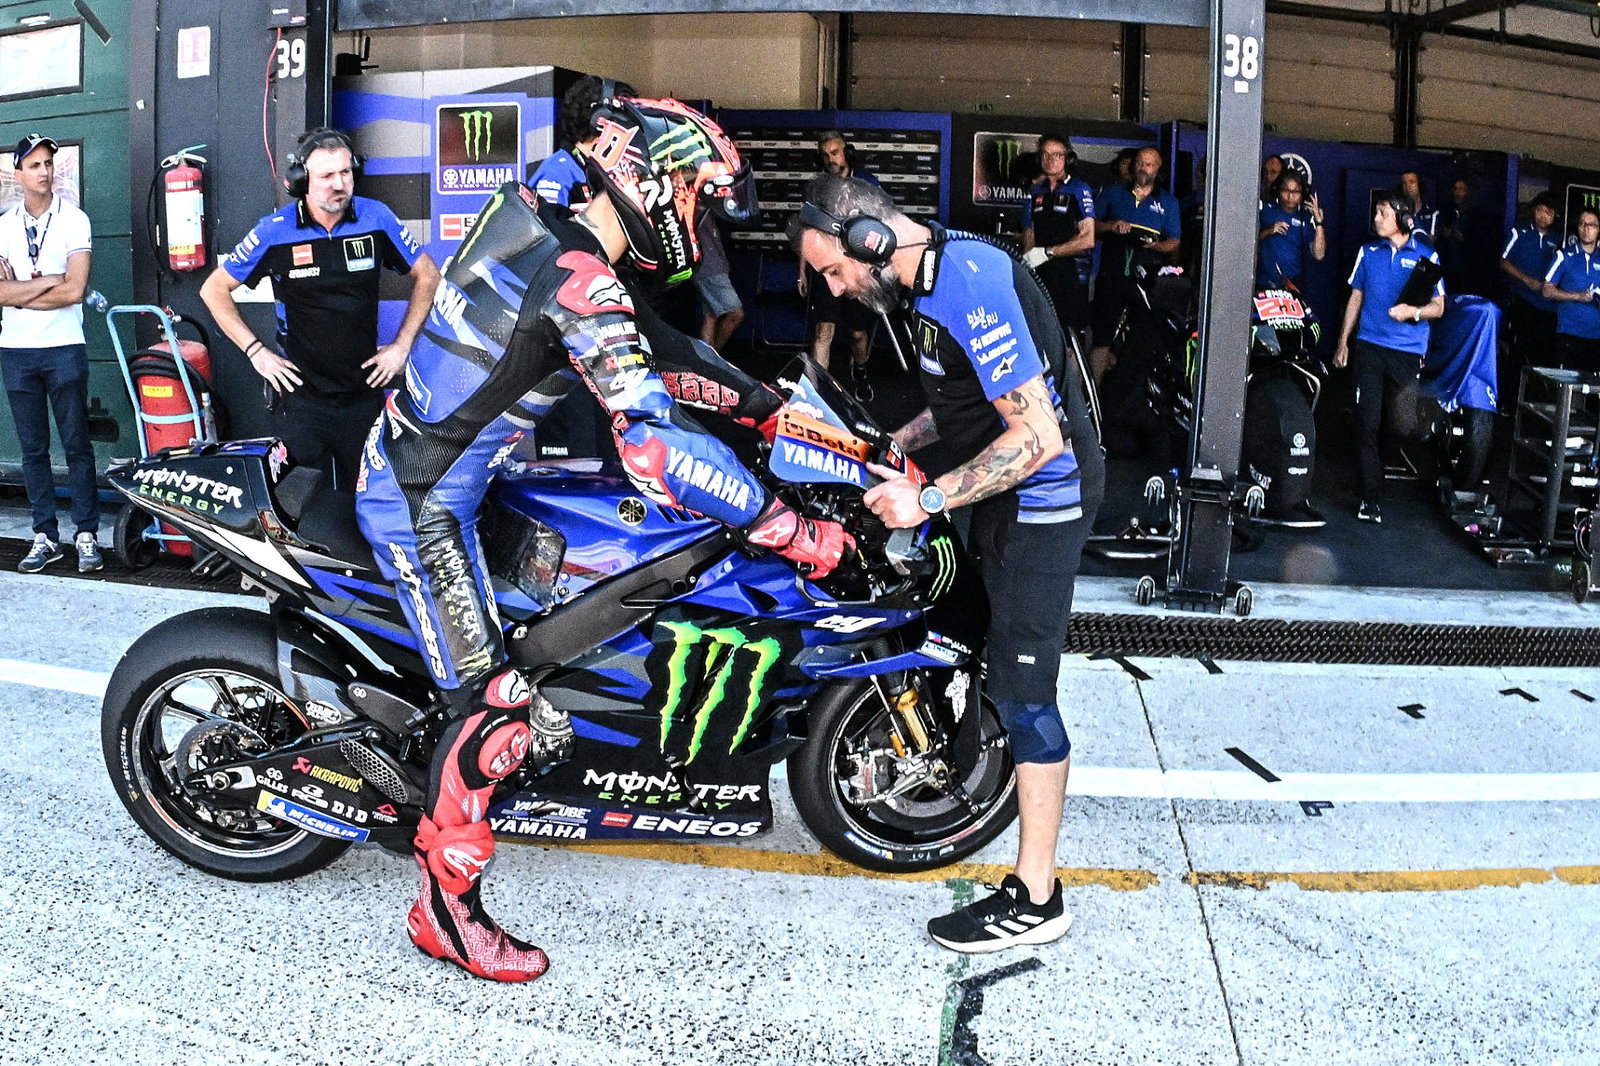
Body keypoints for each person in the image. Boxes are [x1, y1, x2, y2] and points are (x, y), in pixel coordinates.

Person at [356, 96, 850, 982]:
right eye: (696, 194)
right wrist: (781, 524)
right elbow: (653, 443)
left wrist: (775, 414)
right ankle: (445, 913)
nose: (698, 216)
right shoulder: (581, 278)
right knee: (495, 709)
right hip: (420, 499)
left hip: (467, 476)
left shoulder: (552, 219)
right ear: (649, 184)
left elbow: (664, 353)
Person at [790, 173, 1103, 954]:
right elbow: (964, 407)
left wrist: (929, 502)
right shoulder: (920, 292)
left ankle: (1038, 896)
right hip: (994, 493)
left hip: (1044, 500)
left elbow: (1037, 440)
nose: (836, 289)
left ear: (870, 237)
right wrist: (898, 447)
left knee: (1027, 693)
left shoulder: (970, 279)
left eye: (835, 270)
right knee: (962, 630)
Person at [201, 128, 441, 489]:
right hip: (300, 397)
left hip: (362, 394)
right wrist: (256, 352)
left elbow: (429, 275)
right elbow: (214, 289)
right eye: (326, 175)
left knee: (365, 504)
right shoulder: (275, 231)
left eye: (345, 173)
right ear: (301, 180)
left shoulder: (376, 218)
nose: (338, 184)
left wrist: (401, 347)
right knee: (297, 504)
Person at [0, 133, 100, 574]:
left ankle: (86, 534)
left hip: (63, 347)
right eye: (35, 165)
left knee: (77, 444)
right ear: (18, 172)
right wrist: (45, 282)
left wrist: (18, 291)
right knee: (33, 449)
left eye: (48, 164)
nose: (44, 172)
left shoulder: (75, 219)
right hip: (16, 350)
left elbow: (76, 289)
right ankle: (44, 535)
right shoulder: (3, 225)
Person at [1333, 192, 1445, 525]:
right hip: (1369, 347)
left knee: (1402, 425)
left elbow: (1440, 307)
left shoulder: (1427, 255)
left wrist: (1413, 311)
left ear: (1402, 219)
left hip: (1408, 353)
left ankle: (1376, 473)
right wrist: (1343, 342)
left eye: (1383, 213)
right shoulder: (1368, 252)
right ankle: (1371, 497)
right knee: (1366, 421)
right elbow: (1355, 297)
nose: (1377, 218)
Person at [1089, 145, 1181, 384]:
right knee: (1101, 338)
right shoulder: (1113, 192)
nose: (1143, 167)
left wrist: (1155, 247)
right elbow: (1090, 227)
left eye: (1149, 164)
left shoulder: (1168, 202)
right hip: (1111, 274)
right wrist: (1113, 226)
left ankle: (1134, 396)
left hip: (1147, 279)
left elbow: (1174, 241)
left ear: (1158, 169)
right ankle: (1095, 398)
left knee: (1144, 340)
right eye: (1140, 162)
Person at [800, 130, 878, 392]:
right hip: (826, 271)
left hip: (857, 271)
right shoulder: (818, 190)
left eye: (834, 152)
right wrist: (802, 272)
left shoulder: (867, 184)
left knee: (857, 334)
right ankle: (817, 394)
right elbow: (805, 233)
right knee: (824, 332)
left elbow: (882, 228)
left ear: (848, 152)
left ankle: (861, 370)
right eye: (825, 155)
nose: (830, 159)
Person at [1020, 134, 1095, 344]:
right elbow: (1029, 235)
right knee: (1036, 337)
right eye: (1045, 154)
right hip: (1039, 277)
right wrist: (1028, 260)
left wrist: (1048, 252)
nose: (1051, 160)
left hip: (1069, 277)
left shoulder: (1079, 189)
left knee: (1068, 339)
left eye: (1057, 154)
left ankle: (1071, 378)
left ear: (1068, 159)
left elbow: (1088, 239)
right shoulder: (1036, 191)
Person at [528, 75, 638, 212]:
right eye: (623, 121)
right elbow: (549, 229)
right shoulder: (558, 172)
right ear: (600, 121)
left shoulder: (600, 173)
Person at [1499, 191, 1561, 383]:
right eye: (1539, 210)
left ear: (1555, 215)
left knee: (1543, 356)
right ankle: (1510, 403)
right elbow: (1503, 261)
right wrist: (1527, 280)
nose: (1542, 215)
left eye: (1548, 212)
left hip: (1548, 308)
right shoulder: (1519, 232)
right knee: (1518, 353)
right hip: (1523, 301)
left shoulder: (1560, 240)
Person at [1541, 206, 1600, 373]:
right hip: (1570, 335)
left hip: (1597, 337)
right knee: (1568, 392)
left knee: (1594, 394)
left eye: (1592, 225)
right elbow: (1546, 290)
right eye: (1582, 224)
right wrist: (1577, 296)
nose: (1586, 229)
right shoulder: (1563, 256)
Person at [1256, 169, 1326, 289]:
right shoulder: (1266, 210)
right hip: (1263, 281)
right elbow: (1246, 242)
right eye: (1286, 190)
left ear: (1302, 193)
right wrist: (1269, 231)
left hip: (1292, 284)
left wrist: (1319, 222)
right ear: (1278, 190)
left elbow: (1319, 255)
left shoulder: (1305, 217)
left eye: (1296, 191)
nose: (1290, 196)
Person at [695, 211, 744, 348]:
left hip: (710, 263)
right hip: (710, 266)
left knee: (710, 316)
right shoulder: (696, 204)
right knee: (735, 313)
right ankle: (715, 356)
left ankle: (708, 360)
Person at [1399, 171, 1438, 242]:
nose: (1408, 186)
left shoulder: (1432, 212)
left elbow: (1431, 240)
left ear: (1419, 185)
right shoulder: (1397, 211)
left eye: (1412, 182)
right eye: (1404, 183)